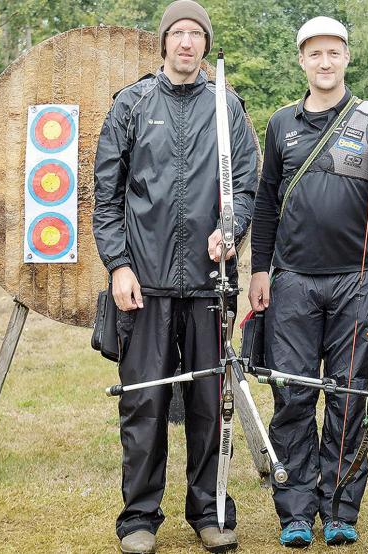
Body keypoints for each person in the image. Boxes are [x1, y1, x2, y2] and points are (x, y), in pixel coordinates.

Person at [92, 1, 259, 552]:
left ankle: (209, 513)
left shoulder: (227, 106)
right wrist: (118, 264)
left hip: (211, 285)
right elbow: (106, 196)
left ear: (205, 45)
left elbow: (246, 186)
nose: (186, 43)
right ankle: (139, 518)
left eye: (196, 34)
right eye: (177, 34)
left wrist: (229, 231)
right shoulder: (132, 104)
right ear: (163, 42)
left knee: (211, 404)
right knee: (145, 404)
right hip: (146, 286)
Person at [246, 15, 368, 549]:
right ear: (301, 61)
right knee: (291, 395)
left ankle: (339, 508)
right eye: (314, 53)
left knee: (347, 396)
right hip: (292, 282)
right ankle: (295, 511)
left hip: (357, 279)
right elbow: (266, 204)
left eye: (333, 52)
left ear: (346, 58)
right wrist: (260, 271)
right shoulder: (280, 124)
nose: (324, 62)